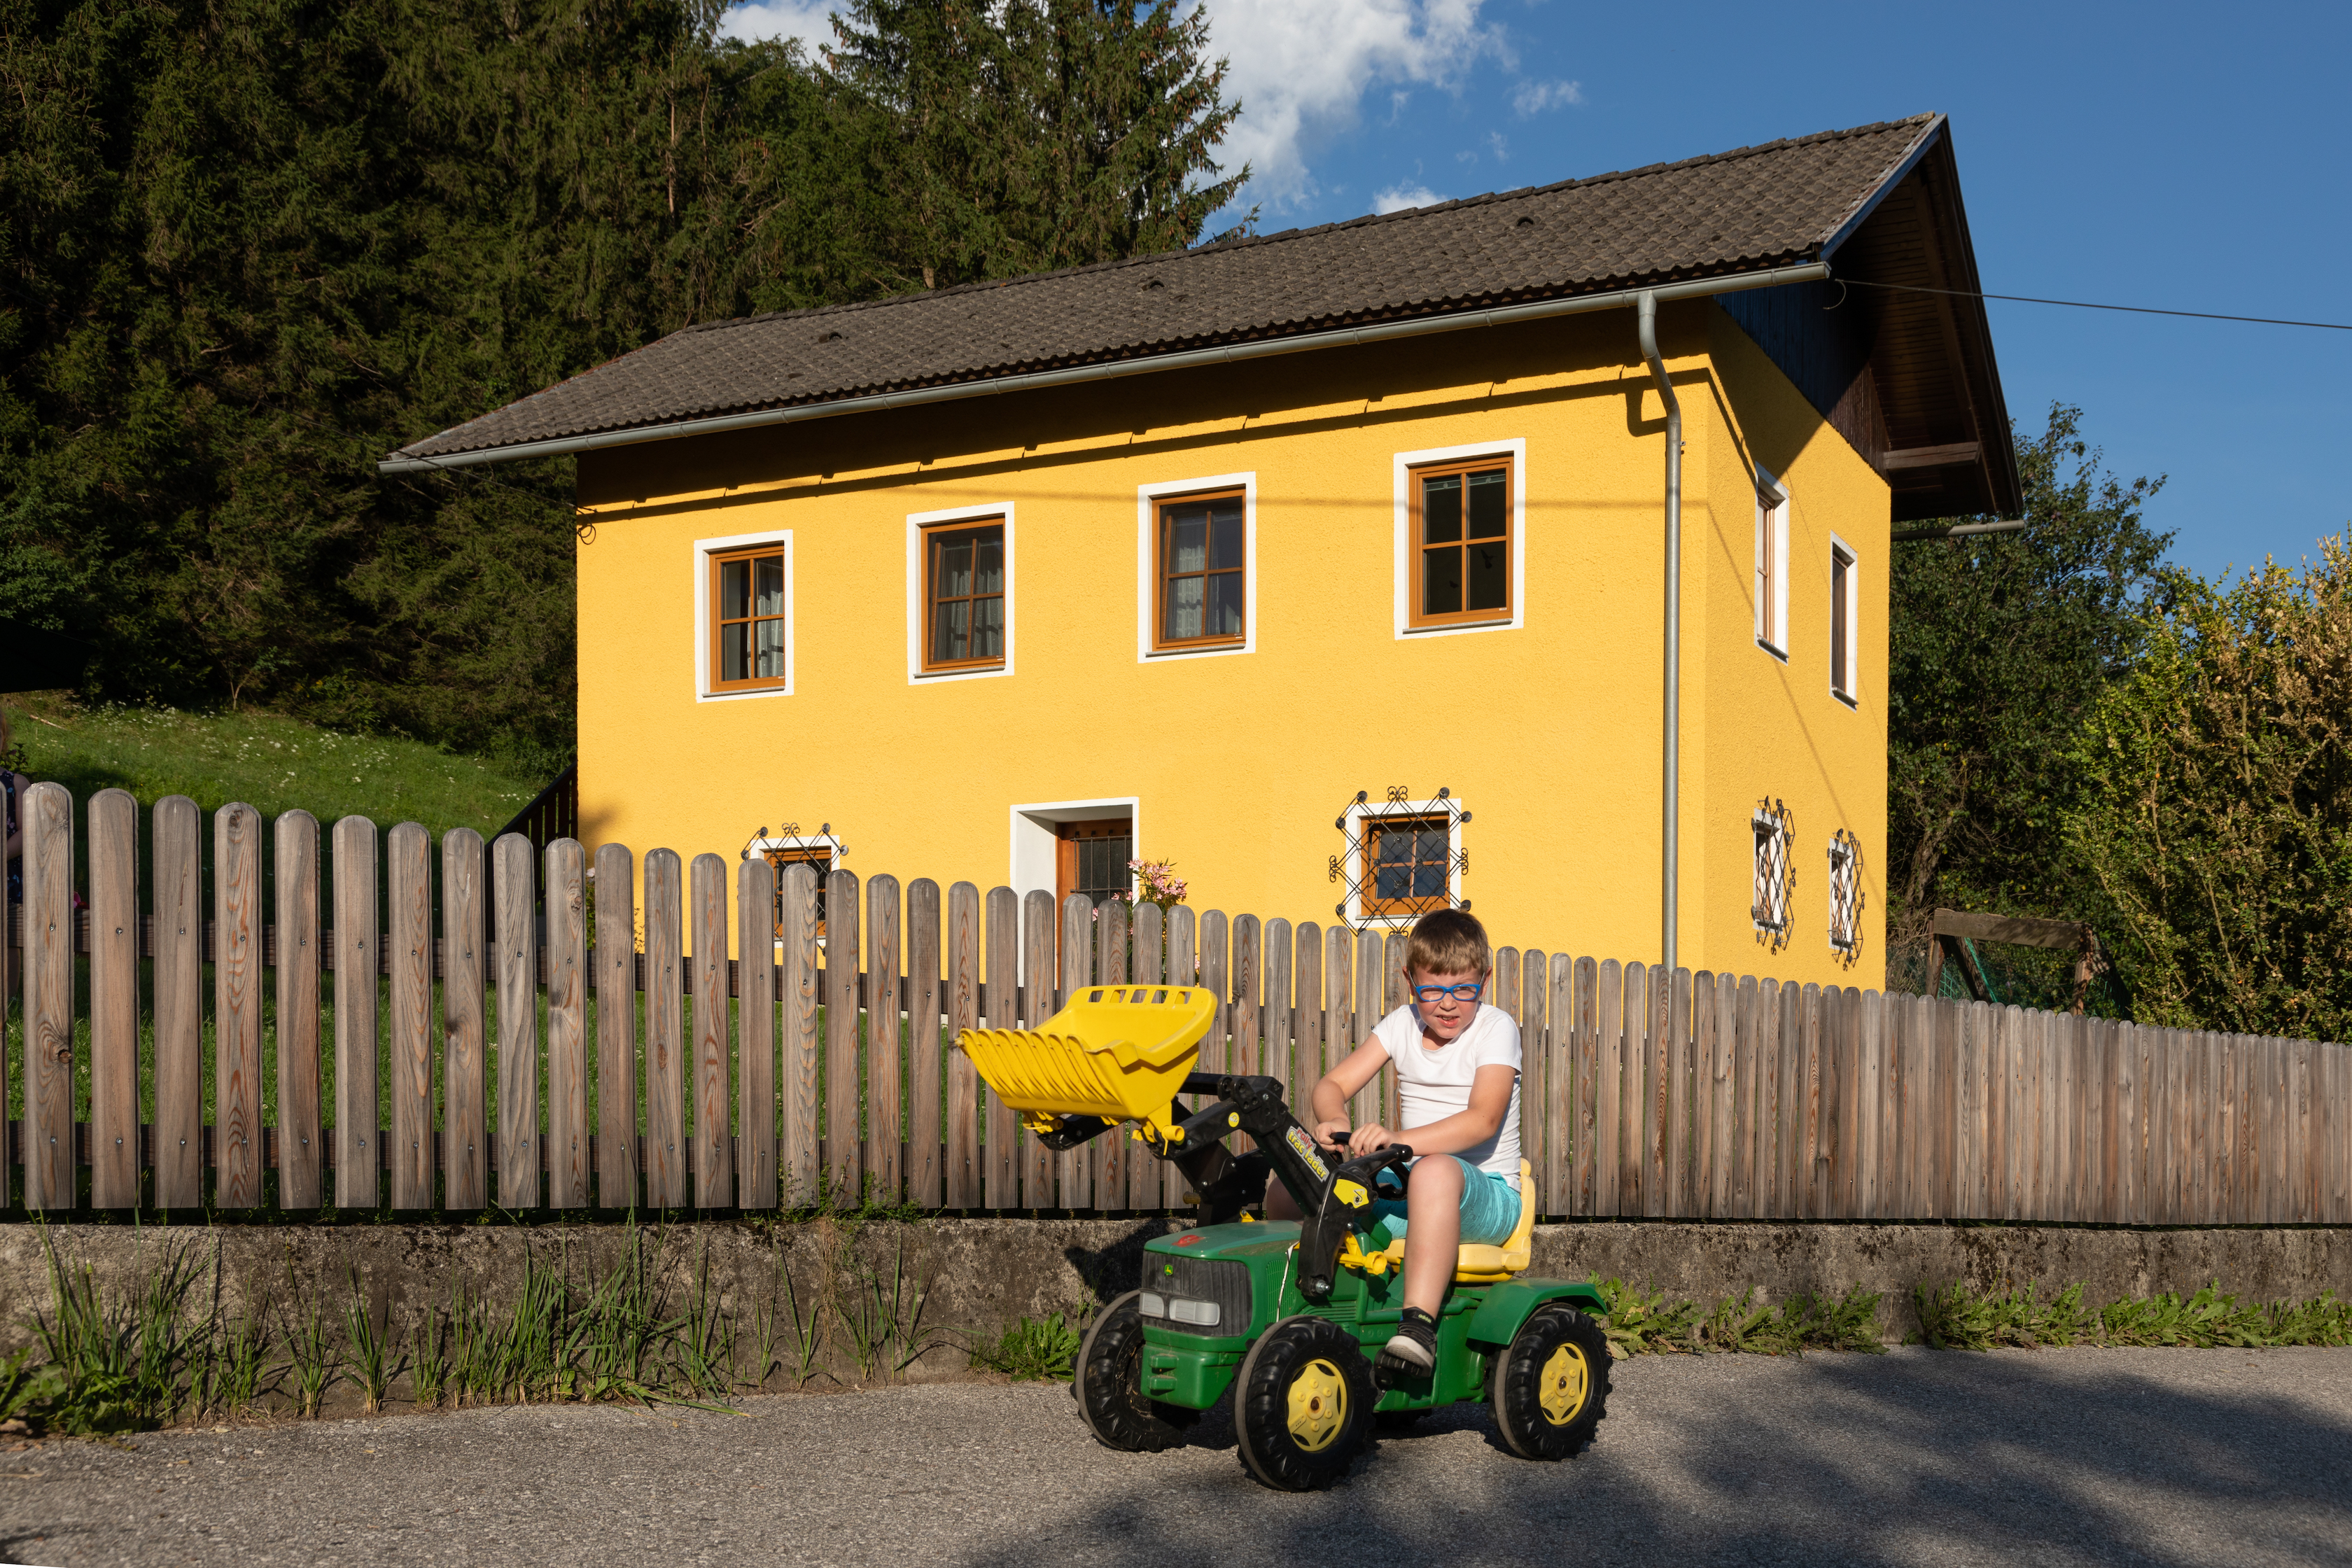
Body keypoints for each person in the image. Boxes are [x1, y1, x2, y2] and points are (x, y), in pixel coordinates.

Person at [1264, 906, 1520, 1371]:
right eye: (1432, 990)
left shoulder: (1495, 1028)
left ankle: (1417, 1329)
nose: (1448, 1004)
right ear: (1409, 980)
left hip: (1486, 1196)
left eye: (1463, 989)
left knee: (1434, 1171)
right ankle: (1290, 1308)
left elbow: (1482, 1120)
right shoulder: (1401, 1024)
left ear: (1484, 981)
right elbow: (1331, 1085)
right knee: (1291, 1187)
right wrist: (1334, 1120)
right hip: (1409, 1193)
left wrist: (1397, 1140)